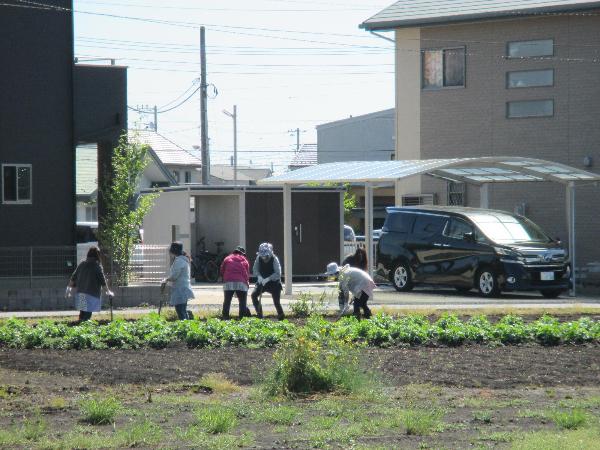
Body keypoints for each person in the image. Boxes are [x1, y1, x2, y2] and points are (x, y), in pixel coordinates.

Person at [68, 247, 114, 322]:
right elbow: (102, 281)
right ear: (98, 256)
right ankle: (84, 329)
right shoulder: (97, 266)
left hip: (81, 293)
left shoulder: (82, 264)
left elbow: (73, 277)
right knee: (87, 316)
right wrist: (108, 291)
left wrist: (69, 289)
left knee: (82, 314)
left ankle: (79, 329)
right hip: (91, 294)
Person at [251, 242, 285, 320]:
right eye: (262, 255)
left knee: (276, 302)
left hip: (274, 283)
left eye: (265, 255)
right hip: (262, 281)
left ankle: (281, 316)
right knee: (254, 295)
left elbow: (278, 273)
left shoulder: (274, 259)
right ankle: (259, 315)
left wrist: (268, 278)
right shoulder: (258, 258)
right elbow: (255, 269)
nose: (263, 257)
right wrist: (259, 276)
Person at [161, 242, 195, 320]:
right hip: (184, 288)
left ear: (173, 250)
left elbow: (174, 277)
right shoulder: (183, 259)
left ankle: (185, 327)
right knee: (182, 309)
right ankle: (187, 325)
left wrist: (166, 279)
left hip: (180, 289)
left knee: (180, 310)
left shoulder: (179, 261)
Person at [220, 246, 251, 319]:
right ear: (242, 253)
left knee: (227, 300)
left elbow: (222, 270)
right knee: (242, 301)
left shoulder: (227, 259)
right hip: (241, 282)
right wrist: (247, 283)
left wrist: (224, 278)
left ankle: (225, 317)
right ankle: (242, 318)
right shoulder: (245, 260)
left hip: (228, 282)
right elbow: (247, 273)